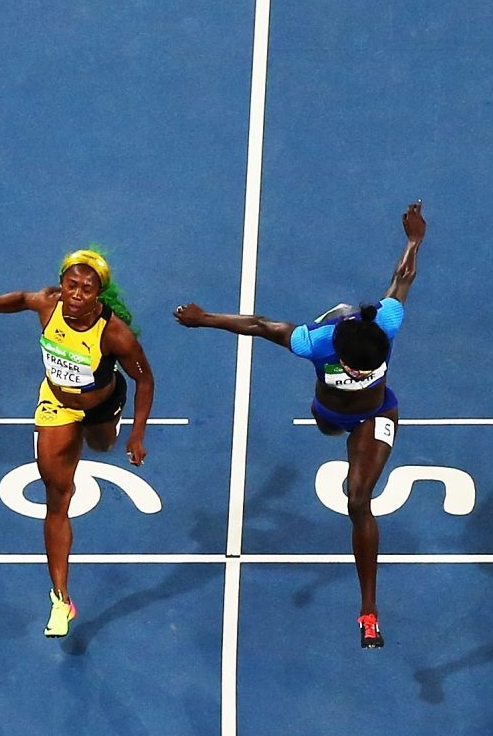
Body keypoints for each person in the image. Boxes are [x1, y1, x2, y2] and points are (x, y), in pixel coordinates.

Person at [175, 200, 425, 646]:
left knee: (358, 499)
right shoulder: (316, 342)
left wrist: (413, 239)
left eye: (362, 369)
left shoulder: (386, 325)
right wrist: (204, 319)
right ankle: (339, 317)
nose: (353, 372)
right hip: (328, 414)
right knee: (328, 428)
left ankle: (368, 610)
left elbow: (402, 278)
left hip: (375, 414)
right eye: (349, 367)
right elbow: (258, 324)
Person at [0, 250, 153, 636]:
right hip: (57, 403)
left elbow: (145, 380)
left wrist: (137, 433)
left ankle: (104, 428)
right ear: (61, 283)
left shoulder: (113, 333)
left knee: (103, 445)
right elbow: (21, 300)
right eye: (71, 284)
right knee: (57, 497)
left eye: (86, 288)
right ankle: (61, 599)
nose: (76, 293)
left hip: (103, 404)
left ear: (98, 294)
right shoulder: (48, 304)